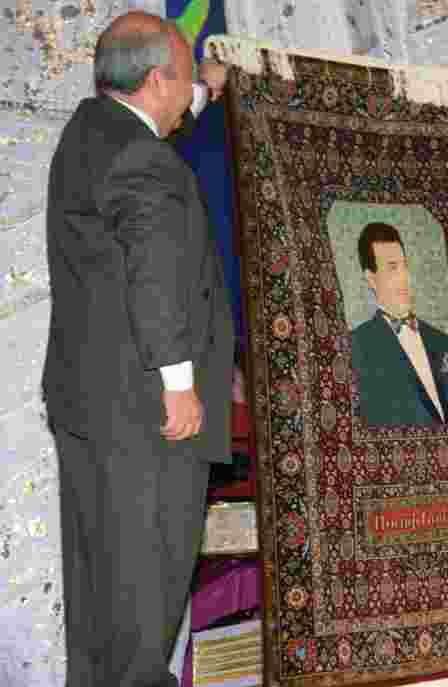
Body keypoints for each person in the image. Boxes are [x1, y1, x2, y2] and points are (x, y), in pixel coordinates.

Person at [43, 11, 233, 687]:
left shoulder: (90, 133)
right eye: (182, 82)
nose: (189, 96)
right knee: (143, 615)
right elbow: (154, 269)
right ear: (157, 80)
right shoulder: (141, 159)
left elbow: (163, 112)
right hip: (146, 419)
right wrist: (179, 382)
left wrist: (206, 85)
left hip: (96, 409)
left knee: (102, 609)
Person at [350, 222, 448, 427]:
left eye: (404, 266)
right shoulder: (357, 347)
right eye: (392, 268)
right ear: (371, 279)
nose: (404, 277)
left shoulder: (445, 344)